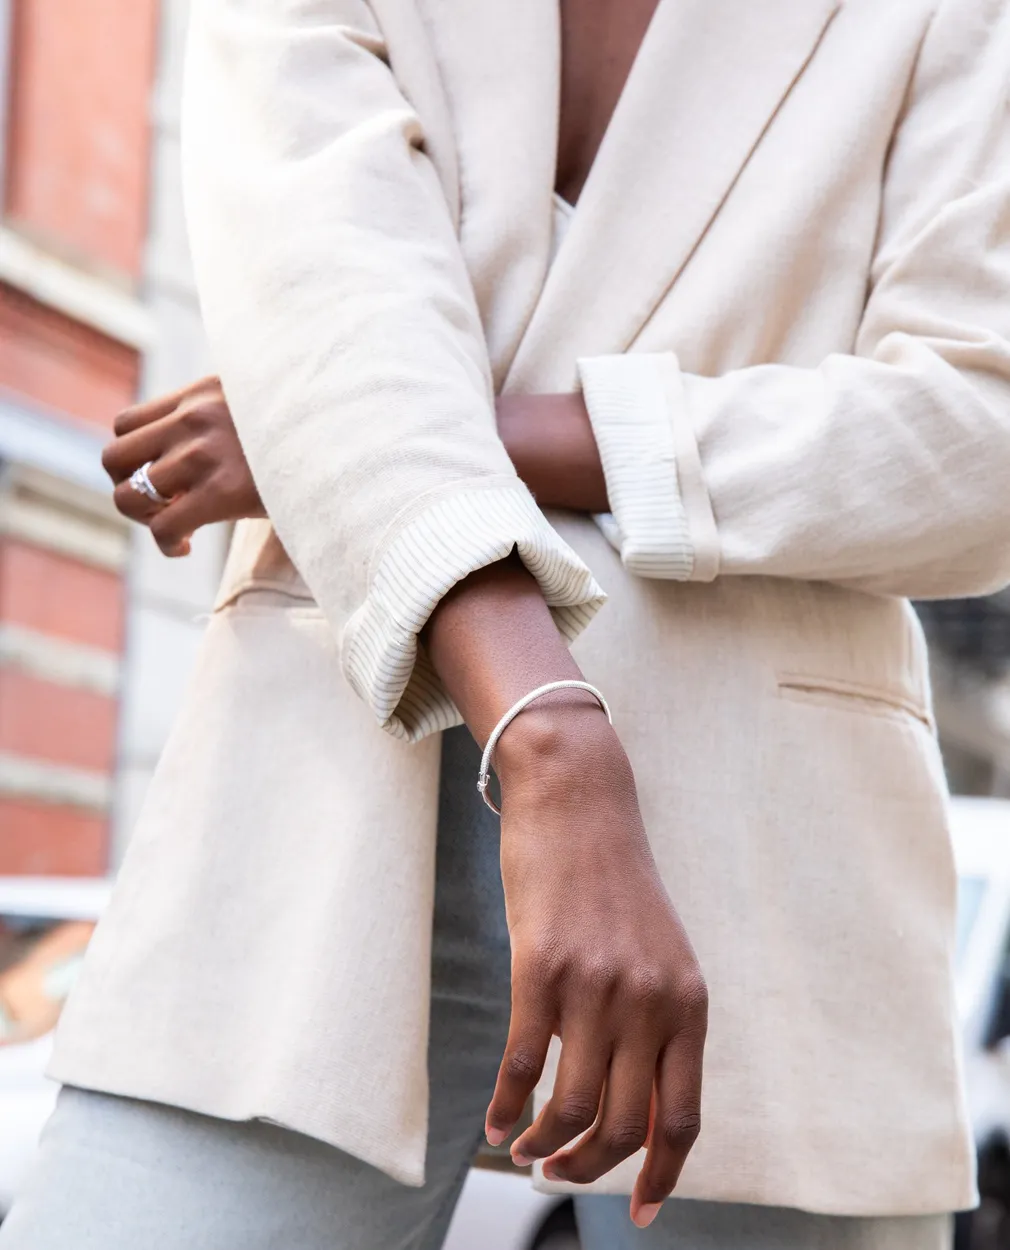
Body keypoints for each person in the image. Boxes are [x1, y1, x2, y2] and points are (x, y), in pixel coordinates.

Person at [3, 0, 1009, 1246]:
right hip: (308, 827)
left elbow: (979, 435)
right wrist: (550, 743)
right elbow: (319, 300)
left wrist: (381, 429)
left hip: (774, 879)